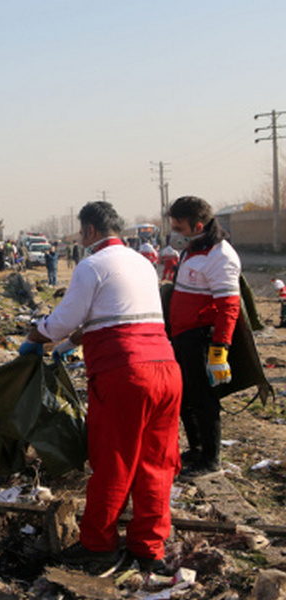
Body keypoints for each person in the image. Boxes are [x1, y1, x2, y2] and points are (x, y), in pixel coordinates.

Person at [19, 201, 181, 574]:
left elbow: (65, 318)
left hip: (125, 374)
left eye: (81, 231)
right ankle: (148, 547)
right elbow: (112, 315)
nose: (80, 237)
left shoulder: (91, 265)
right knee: (156, 462)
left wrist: (36, 338)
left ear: (90, 230)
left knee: (114, 460)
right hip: (166, 369)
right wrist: (66, 346)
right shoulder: (142, 262)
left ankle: (98, 544)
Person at [168, 196, 241, 475]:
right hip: (182, 336)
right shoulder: (192, 248)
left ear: (198, 224)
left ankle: (211, 459)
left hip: (202, 337)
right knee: (184, 396)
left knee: (204, 400)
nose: (176, 232)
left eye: (180, 227)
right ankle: (196, 449)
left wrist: (219, 350)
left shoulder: (220, 257)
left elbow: (229, 307)